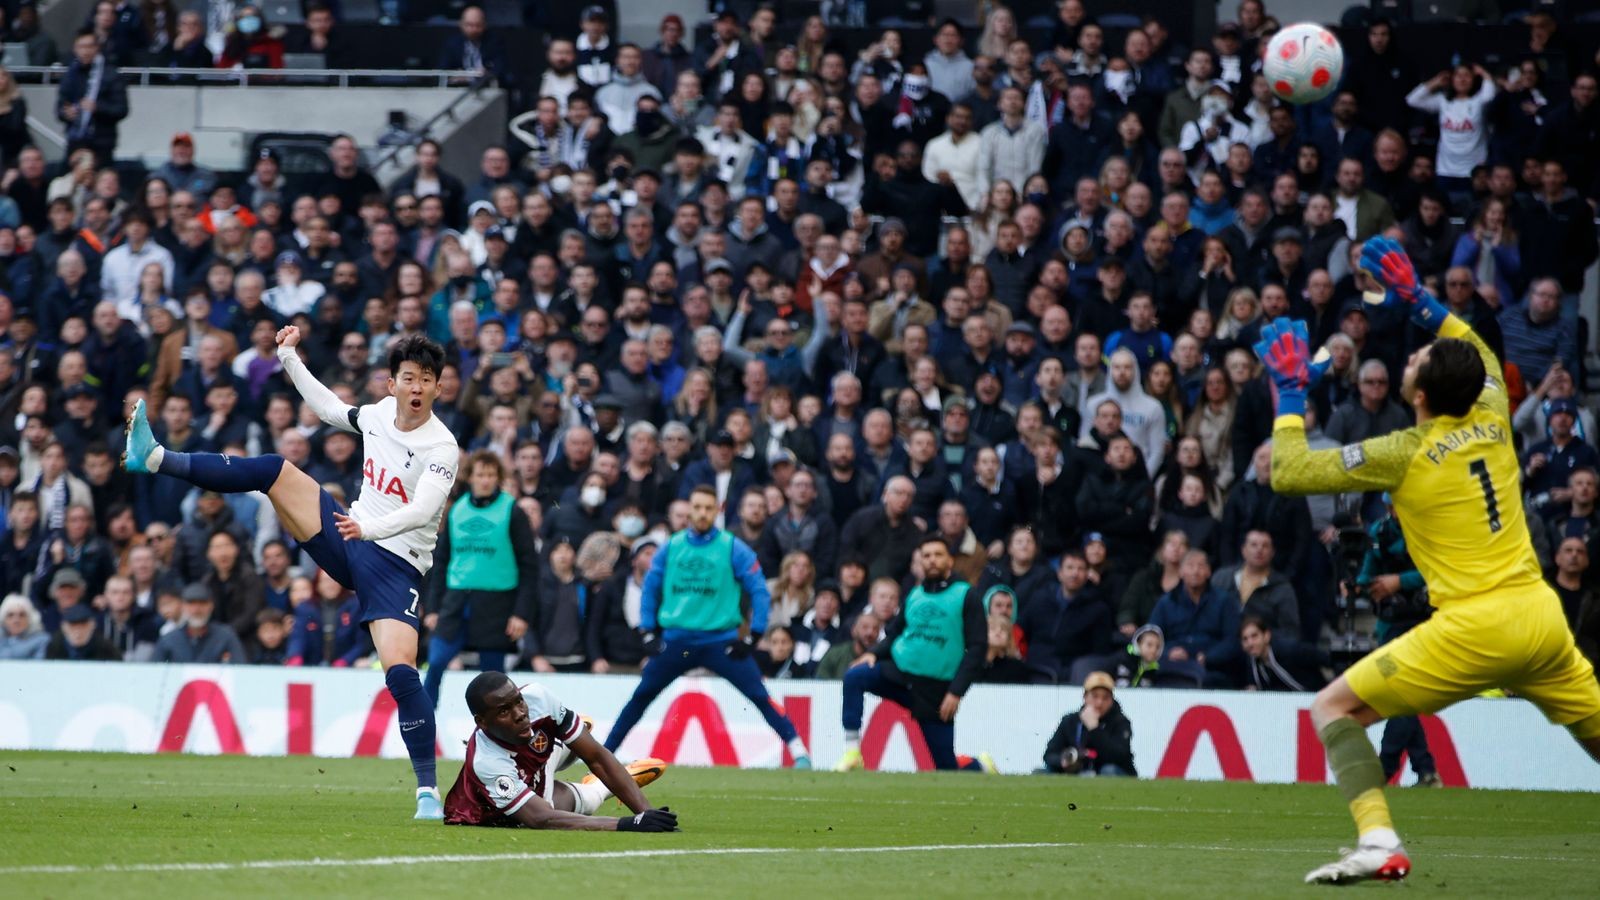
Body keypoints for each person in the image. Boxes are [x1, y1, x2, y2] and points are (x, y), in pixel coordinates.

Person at [1260, 237, 1600, 884]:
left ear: (1417, 395)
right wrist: (1420, 301)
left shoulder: (1404, 449)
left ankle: (1379, 839)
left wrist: (1288, 393)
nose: (1411, 354)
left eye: (1414, 358)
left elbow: (1291, 471)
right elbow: (1469, 347)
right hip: (1540, 617)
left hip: (1474, 626)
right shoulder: (1495, 407)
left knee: (1332, 710)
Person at [123, 330, 460, 821]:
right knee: (276, 470)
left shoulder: (442, 447)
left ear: (437, 389)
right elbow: (328, 409)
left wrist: (368, 526)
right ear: (392, 384)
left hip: (395, 563)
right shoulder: (378, 415)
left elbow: (423, 510)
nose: (416, 387)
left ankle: (427, 793)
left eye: (426, 380)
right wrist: (288, 357)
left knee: (402, 674)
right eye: (408, 377)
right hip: (351, 537)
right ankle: (155, 458)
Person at [602, 486, 812, 767]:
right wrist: (647, 630)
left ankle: (799, 753)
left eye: (708, 508)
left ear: (718, 510)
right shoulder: (672, 547)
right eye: (697, 507)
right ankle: (604, 755)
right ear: (690, 510)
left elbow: (759, 590)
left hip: (720, 641)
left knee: (759, 695)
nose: (702, 513)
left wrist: (755, 634)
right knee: (642, 696)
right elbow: (650, 586)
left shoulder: (732, 547)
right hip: (676, 641)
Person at [834, 534, 995, 773]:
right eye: (926, 556)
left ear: (950, 561)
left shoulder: (967, 595)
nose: (931, 560)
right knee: (855, 676)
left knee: (946, 769)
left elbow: (977, 648)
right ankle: (852, 753)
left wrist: (956, 691)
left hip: (936, 690)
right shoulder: (915, 593)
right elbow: (896, 632)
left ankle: (979, 765)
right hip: (899, 673)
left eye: (938, 555)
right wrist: (875, 654)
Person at [443, 671, 675, 831]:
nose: (520, 713)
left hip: (534, 754)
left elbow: (597, 757)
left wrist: (647, 814)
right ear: (481, 722)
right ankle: (598, 786)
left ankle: (570, 738)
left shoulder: (538, 699)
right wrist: (629, 823)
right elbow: (541, 817)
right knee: (583, 802)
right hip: (501, 809)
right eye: (504, 711)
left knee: (575, 744)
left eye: (519, 701)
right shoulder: (486, 761)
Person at [423, 451, 538, 706]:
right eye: (480, 474)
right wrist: (432, 608)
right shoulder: (457, 511)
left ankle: (499, 734)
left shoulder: (512, 511)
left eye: (490, 475)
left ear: (498, 478)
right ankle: (424, 722)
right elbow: (440, 562)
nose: (485, 480)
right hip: (456, 601)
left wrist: (521, 613)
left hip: (496, 603)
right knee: (436, 662)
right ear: (470, 477)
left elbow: (530, 566)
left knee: (494, 679)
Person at [1041, 671, 1135, 776]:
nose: (1099, 703)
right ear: (1085, 697)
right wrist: (1065, 761)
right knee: (1040, 772)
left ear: (1111, 700)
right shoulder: (1070, 720)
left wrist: (1094, 729)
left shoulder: (1120, 722)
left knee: (1108, 770)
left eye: (1105, 698)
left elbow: (1119, 756)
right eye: (1095, 696)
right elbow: (1049, 754)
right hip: (1078, 772)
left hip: (1107, 772)